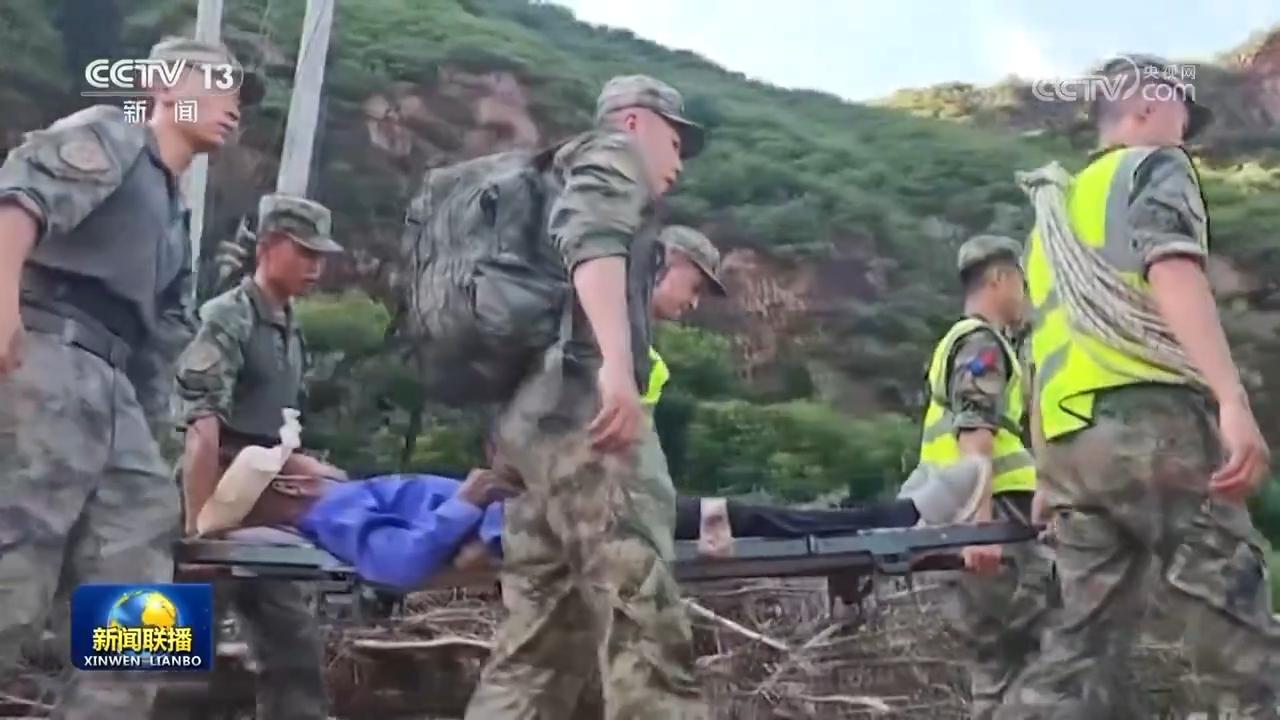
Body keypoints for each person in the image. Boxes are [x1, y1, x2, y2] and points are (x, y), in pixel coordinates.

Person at [995, 56, 1278, 720]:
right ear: (1148, 104)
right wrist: (1231, 399)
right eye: (1183, 113)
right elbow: (1173, 270)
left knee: (1078, 647)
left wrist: (1046, 472)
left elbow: (1038, 351)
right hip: (1148, 422)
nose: (1188, 133)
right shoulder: (1153, 166)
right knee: (1232, 612)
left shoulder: (1053, 222)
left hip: (1070, 442)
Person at [0, 37, 262, 718]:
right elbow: (18, 201)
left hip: (116, 396)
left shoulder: (175, 217)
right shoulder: (112, 134)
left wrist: (156, 438)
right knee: (13, 578)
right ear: (165, 85)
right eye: (221, 85)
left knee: (144, 606)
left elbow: (162, 350)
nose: (234, 106)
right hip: (45, 357)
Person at [456, 74, 712, 719]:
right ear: (634, 122)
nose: (679, 162)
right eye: (675, 141)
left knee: (538, 643)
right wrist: (617, 369)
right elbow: (592, 239)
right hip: (582, 416)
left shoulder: (546, 177)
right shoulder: (612, 155)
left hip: (531, 424)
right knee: (645, 619)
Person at [173, 193, 343, 720]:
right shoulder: (228, 316)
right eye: (304, 252)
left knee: (293, 650)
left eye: (320, 256)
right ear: (269, 247)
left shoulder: (289, 326)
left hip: (260, 504)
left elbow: (273, 430)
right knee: (157, 650)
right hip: (207, 494)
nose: (315, 267)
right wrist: (198, 534)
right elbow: (202, 426)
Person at [911, 235, 1055, 719]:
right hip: (995, 516)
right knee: (1042, 652)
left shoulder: (961, 342)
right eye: (1022, 283)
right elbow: (976, 431)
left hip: (964, 514)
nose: (1025, 295)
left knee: (996, 668)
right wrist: (982, 524)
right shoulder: (981, 343)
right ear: (1000, 279)